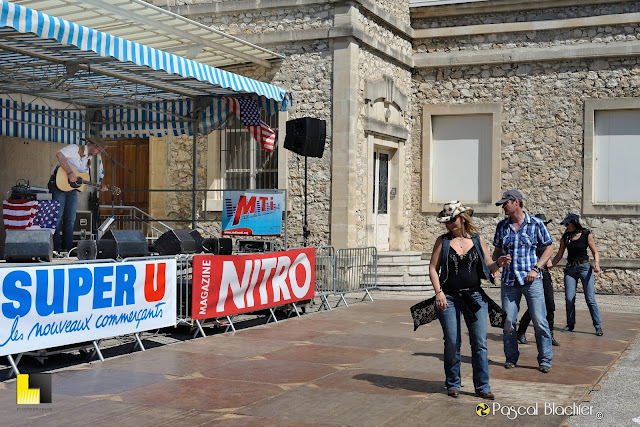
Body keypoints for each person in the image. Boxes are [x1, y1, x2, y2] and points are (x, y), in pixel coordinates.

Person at [429, 201, 509, 400]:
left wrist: (499, 263)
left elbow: (489, 265)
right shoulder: (443, 241)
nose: (449, 225)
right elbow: (433, 268)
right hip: (448, 296)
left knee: (480, 342)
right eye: (446, 222)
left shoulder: (477, 238)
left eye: (452, 220)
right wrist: (438, 292)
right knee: (453, 341)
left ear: (462, 218)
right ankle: (453, 384)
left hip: (474, 296)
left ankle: (482, 386)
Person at [492, 190, 554, 373]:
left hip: (531, 280)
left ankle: (545, 360)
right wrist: (497, 263)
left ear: (516, 202)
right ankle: (511, 357)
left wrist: (536, 269)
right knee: (508, 322)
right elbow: (497, 250)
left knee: (539, 321)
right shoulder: (502, 227)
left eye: (505, 203)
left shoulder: (536, 224)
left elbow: (548, 248)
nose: (503, 206)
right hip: (509, 282)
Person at [48, 136, 108, 252]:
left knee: (70, 219)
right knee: (57, 218)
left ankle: (68, 250)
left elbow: (83, 180)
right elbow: (59, 155)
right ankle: (55, 249)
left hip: (71, 189)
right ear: (94, 145)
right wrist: (70, 173)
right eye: (98, 150)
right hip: (57, 184)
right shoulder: (75, 148)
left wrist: (100, 187)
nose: (98, 153)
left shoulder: (88, 161)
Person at [549, 213, 603, 336]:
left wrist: (597, 264)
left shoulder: (586, 234)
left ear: (575, 223)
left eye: (568, 223)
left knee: (590, 299)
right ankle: (570, 324)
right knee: (569, 297)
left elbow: (595, 252)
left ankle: (598, 325)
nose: (566, 226)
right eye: (565, 224)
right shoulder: (565, 237)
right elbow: (559, 254)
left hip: (585, 267)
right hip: (570, 269)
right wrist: (551, 265)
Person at [518, 213, 560, 347]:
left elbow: (549, 256)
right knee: (534, 306)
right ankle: (521, 331)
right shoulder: (531, 238)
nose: (545, 226)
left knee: (550, 305)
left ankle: (550, 335)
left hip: (544, 274)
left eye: (546, 224)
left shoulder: (546, 239)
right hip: (534, 275)